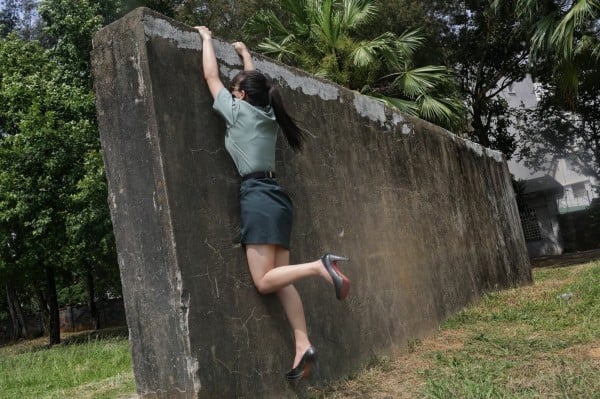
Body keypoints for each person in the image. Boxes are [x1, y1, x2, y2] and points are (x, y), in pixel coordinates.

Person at [194, 26, 351, 381]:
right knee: (281, 280)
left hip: (258, 198)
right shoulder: (268, 117)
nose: (230, 94)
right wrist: (246, 54)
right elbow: (256, 85)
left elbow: (209, 75)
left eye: (235, 90)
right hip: (277, 198)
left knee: (265, 282)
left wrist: (206, 39)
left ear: (243, 97)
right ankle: (302, 345)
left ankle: (320, 267)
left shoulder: (237, 111)